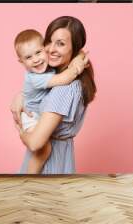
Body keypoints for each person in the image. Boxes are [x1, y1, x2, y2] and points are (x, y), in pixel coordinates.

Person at [10, 16, 97, 174]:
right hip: (52, 155)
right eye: (48, 41)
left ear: (74, 48)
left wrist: (22, 134)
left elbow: (36, 143)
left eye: (61, 44)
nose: (50, 49)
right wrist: (20, 95)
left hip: (49, 160)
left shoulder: (64, 88)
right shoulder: (53, 74)